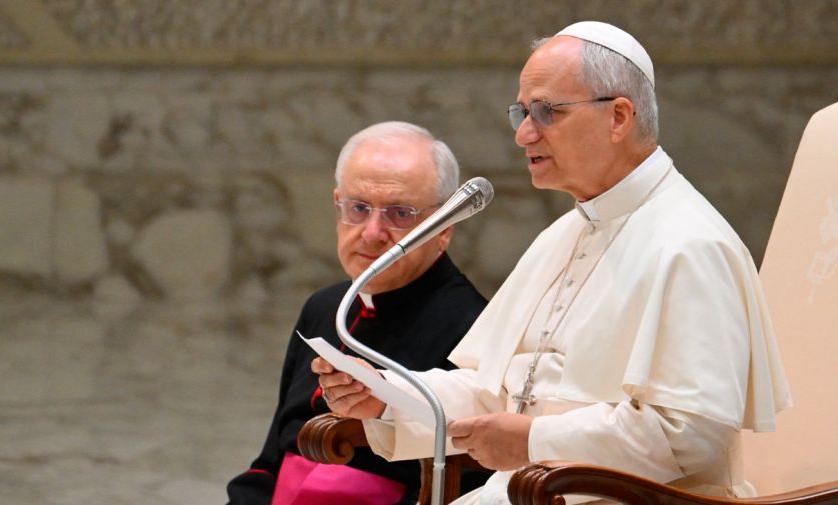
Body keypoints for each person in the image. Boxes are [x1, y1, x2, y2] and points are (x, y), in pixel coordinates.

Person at [313, 21, 793, 505]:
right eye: (521, 112)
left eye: (545, 111)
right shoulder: (564, 235)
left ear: (619, 117)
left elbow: (687, 437)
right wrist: (386, 397)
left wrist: (532, 441)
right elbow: (492, 392)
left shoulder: (691, 245)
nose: (523, 134)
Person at [227, 121, 490, 505]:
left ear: (444, 227)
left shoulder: (474, 327)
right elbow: (273, 458)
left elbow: (462, 487)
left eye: (400, 213)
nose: (371, 232)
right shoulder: (324, 307)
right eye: (358, 208)